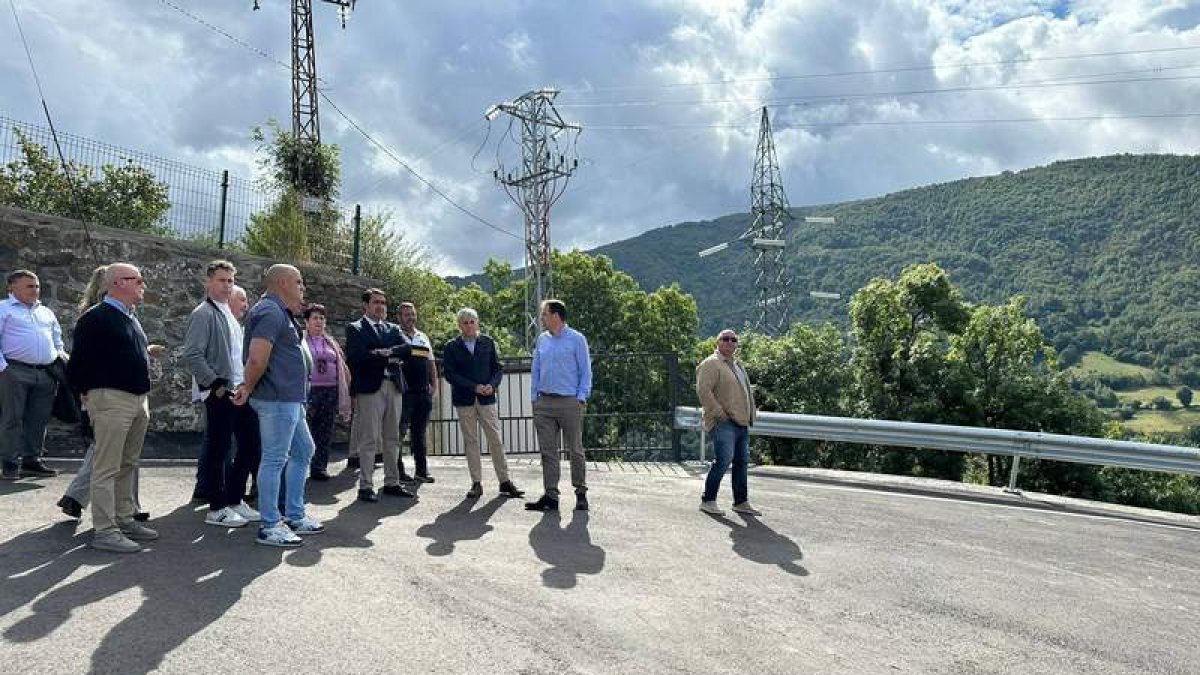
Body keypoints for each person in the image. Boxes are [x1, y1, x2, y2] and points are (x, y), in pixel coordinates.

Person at [66, 263, 159, 552]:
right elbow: (77, 363)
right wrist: (88, 395)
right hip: (110, 399)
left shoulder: (130, 317)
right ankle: (105, 532)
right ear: (118, 282)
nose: (143, 285)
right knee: (106, 467)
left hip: (136, 399)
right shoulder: (95, 318)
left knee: (128, 463)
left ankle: (125, 519)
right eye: (138, 280)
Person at [231, 264, 323, 547]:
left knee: (304, 450)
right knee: (274, 459)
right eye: (298, 282)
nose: (302, 288)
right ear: (282, 282)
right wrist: (247, 385)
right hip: (277, 399)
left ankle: (294, 514)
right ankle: (270, 525)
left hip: (289, 399)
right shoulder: (270, 312)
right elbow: (258, 358)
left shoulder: (277, 312)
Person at [181, 260, 261, 529]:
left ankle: (235, 500)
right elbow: (192, 354)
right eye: (221, 280)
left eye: (230, 280)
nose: (227, 285)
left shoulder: (228, 313)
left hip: (239, 391)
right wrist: (216, 384)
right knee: (219, 449)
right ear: (208, 282)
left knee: (250, 446)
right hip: (220, 393)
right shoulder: (203, 313)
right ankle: (216, 508)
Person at [442, 308, 524, 499]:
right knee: (471, 441)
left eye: (472, 321)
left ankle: (504, 481)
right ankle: (476, 483)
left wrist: (492, 386)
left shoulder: (488, 342)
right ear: (459, 325)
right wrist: (474, 387)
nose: (469, 325)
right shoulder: (451, 347)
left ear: (477, 323)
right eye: (465, 322)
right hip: (465, 400)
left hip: (487, 399)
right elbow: (450, 374)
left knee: (495, 439)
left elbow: (498, 368)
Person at [345, 288, 415, 502]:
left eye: (383, 303)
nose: (381, 306)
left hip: (393, 386)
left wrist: (380, 352)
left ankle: (392, 481)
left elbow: (407, 349)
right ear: (365, 305)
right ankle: (365, 486)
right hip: (370, 388)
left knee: (393, 437)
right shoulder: (355, 328)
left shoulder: (393, 328)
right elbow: (358, 356)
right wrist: (387, 354)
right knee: (369, 439)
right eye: (376, 302)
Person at [525, 299, 592, 513]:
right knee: (548, 452)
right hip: (544, 402)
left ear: (556, 316)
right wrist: (534, 397)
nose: (541, 318)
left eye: (544, 314)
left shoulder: (577, 339)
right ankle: (551, 496)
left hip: (569, 402)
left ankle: (580, 493)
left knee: (575, 450)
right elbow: (535, 369)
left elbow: (585, 371)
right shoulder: (542, 340)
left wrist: (580, 397)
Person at [0, 269, 67, 480]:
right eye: (30, 286)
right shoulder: (3, 309)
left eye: (37, 286)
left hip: (45, 372)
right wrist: (4, 368)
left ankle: (32, 460)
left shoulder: (45, 312)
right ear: (12, 287)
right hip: (15, 370)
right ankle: (9, 462)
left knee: (39, 419)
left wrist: (60, 359)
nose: (35, 290)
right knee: (12, 418)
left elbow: (58, 340)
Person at [696, 328, 760, 516]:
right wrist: (718, 412)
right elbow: (703, 390)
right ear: (718, 341)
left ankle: (741, 502)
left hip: (741, 422)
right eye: (725, 338)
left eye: (733, 340)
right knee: (723, 460)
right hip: (724, 421)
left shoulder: (736, 365)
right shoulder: (711, 363)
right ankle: (708, 500)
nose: (730, 342)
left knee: (741, 462)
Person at [302, 303, 351, 481]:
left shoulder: (330, 341)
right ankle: (302, 466)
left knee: (325, 430)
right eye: (315, 318)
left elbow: (342, 364)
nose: (319, 321)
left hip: (330, 390)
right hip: (309, 390)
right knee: (305, 429)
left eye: (322, 318)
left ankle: (319, 467)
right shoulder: (301, 340)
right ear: (306, 321)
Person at [396, 301, 437, 483]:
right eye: (406, 314)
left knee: (419, 433)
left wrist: (434, 385)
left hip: (423, 392)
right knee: (399, 432)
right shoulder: (395, 335)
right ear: (399, 317)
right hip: (404, 393)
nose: (410, 318)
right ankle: (397, 472)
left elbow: (430, 363)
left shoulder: (423, 337)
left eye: (412, 314)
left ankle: (421, 471)